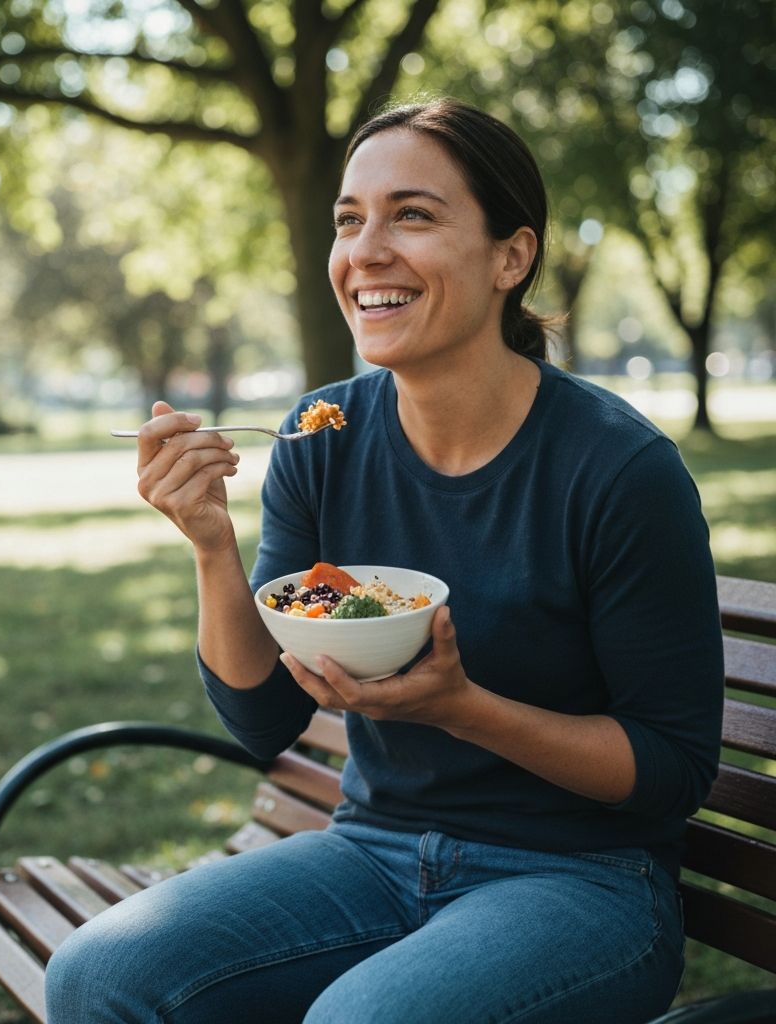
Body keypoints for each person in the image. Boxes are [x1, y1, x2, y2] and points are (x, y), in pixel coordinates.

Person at [45, 98, 724, 1023]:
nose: (365, 251)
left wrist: (464, 709)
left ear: (510, 258)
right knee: (96, 975)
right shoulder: (323, 436)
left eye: (413, 214)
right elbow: (263, 716)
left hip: (583, 881)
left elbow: (672, 769)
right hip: (371, 849)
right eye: (349, 219)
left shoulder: (616, 469)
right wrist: (211, 543)